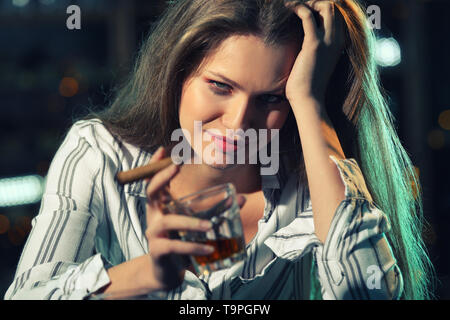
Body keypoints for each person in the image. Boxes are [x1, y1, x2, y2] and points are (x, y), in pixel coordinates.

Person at [5, 0, 435, 300]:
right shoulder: (98, 154)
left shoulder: (308, 184)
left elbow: (367, 292)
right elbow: (28, 294)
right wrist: (146, 274)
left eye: (272, 98)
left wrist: (309, 104)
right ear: (178, 70)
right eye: (220, 86)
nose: (236, 123)